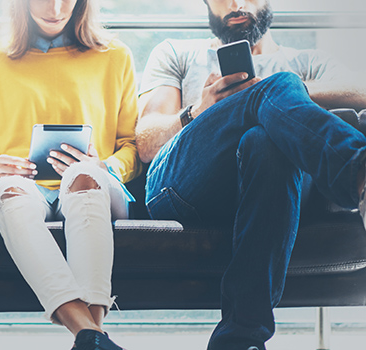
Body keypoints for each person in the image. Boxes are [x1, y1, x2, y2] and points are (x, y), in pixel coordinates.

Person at [135, 0, 366, 349]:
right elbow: (147, 143)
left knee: (263, 138)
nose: (237, 4)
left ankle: (240, 339)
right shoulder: (176, 53)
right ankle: (360, 177)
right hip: (181, 188)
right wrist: (198, 109)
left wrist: (273, 89)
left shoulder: (307, 62)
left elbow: (361, 89)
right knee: (275, 94)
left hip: (267, 189)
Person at [0, 1, 140, 349]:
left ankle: (91, 330)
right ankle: (91, 336)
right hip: (22, 188)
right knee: (9, 190)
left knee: (82, 175)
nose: (56, 7)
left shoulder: (115, 56)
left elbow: (131, 148)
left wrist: (105, 165)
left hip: (92, 183)